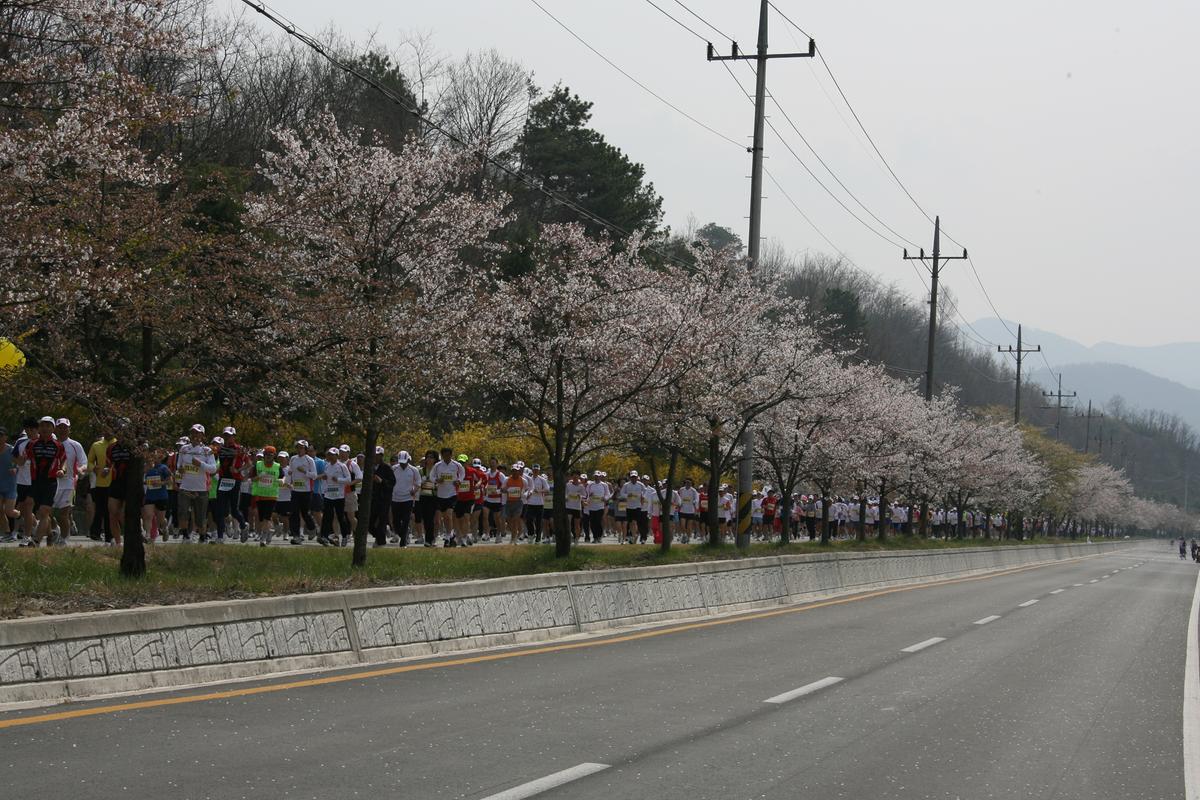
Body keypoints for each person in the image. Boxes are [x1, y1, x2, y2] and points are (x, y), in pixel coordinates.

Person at [21, 416, 63, 547]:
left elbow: (63, 461)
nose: (45, 428)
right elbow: (23, 459)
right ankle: (50, 534)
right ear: (39, 428)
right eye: (43, 425)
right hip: (35, 481)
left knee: (44, 511)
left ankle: (36, 541)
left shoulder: (58, 445)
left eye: (48, 426)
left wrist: (62, 470)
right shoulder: (32, 444)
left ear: (53, 428)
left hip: (50, 482)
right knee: (31, 506)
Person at [176, 423, 217, 542]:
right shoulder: (184, 449)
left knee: (200, 516)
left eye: (198, 433)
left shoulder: (207, 451)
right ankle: (185, 535)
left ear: (202, 435)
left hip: (201, 488)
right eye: (193, 432)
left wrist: (201, 464)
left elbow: (213, 468)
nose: (195, 435)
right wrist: (180, 469)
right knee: (183, 511)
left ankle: (202, 536)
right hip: (185, 487)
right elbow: (179, 464)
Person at [53, 417, 86, 544]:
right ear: (56, 429)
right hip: (52, 483)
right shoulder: (51, 443)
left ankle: (64, 539)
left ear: (69, 429)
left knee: (63, 514)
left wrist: (81, 469)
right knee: (47, 513)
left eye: (65, 427)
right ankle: (55, 529)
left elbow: (84, 462)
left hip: (69, 483)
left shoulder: (75, 445)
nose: (62, 430)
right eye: (60, 427)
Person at [104, 426, 135, 547]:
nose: (122, 434)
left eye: (125, 431)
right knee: (112, 512)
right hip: (116, 482)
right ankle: (118, 543)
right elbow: (109, 463)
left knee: (125, 514)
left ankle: (132, 538)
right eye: (119, 431)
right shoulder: (111, 448)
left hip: (131, 483)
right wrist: (106, 470)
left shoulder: (134, 447)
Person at [86, 426, 115, 542]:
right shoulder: (96, 445)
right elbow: (88, 463)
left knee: (111, 510)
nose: (108, 432)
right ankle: (96, 532)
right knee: (100, 509)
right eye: (106, 430)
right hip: (100, 483)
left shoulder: (118, 444)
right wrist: (95, 469)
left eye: (111, 429)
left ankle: (110, 535)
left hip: (114, 482)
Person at [317, 447, 351, 547]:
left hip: (339, 496)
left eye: (332, 454)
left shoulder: (342, 466)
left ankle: (345, 536)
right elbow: (326, 479)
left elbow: (348, 479)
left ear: (336, 455)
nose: (330, 456)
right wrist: (324, 478)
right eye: (329, 454)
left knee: (341, 516)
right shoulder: (327, 466)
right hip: (328, 495)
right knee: (327, 516)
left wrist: (339, 480)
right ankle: (324, 536)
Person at [429, 448, 463, 545]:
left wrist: (459, 481)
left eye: (448, 455)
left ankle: (448, 535)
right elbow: (431, 476)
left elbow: (462, 473)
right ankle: (450, 533)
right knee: (445, 517)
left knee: (449, 515)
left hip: (452, 494)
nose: (446, 457)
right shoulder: (438, 465)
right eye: (444, 455)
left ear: (451, 455)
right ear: (442, 455)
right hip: (441, 495)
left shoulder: (456, 465)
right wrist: (437, 480)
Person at [249, 446, 282, 545]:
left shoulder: (277, 466)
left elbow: (282, 477)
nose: (268, 457)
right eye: (266, 454)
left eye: (270, 455)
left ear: (274, 456)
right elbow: (252, 478)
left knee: (267, 517)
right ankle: (269, 531)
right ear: (264, 455)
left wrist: (282, 481)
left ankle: (263, 537)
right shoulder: (258, 465)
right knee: (261, 518)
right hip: (260, 495)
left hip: (272, 495)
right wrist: (259, 476)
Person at [287, 440, 317, 545]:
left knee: (305, 513)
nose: (299, 450)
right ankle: (296, 536)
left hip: (306, 491)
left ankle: (312, 527)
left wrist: (304, 471)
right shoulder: (293, 459)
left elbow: (314, 475)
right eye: (298, 448)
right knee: (294, 513)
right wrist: (288, 482)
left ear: (306, 449)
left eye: (301, 448)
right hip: (295, 490)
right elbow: (290, 472)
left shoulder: (310, 460)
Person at [391, 450, 421, 547]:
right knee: (396, 521)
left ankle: (403, 539)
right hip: (395, 498)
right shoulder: (394, 469)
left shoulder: (414, 470)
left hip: (408, 498)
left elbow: (418, 483)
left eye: (404, 462)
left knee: (406, 519)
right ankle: (402, 533)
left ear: (408, 460)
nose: (402, 464)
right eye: (401, 462)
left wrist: (414, 490)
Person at [142, 448, 171, 543]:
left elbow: (169, 481)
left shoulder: (164, 468)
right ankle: (148, 535)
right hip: (150, 496)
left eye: (157, 455)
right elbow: (143, 477)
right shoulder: (148, 467)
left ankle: (164, 527)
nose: (154, 457)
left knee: (160, 520)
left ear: (161, 457)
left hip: (161, 496)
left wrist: (160, 483)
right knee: (148, 515)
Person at [369, 445, 395, 547]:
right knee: (370, 522)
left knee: (382, 521)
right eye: (374, 455)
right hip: (373, 498)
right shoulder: (370, 467)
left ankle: (380, 542)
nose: (375, 457)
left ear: (381, 456)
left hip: (384, 498)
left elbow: (392, 482)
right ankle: (380, 537)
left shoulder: (387, 468)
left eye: (378, 455)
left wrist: (381, 481)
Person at [525, 464, 549, 543]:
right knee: (529, 520)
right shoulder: (528, 479)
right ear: (532, 470)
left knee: (539, 522)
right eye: (534, 469)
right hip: (530, 503)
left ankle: (538, 537)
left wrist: (539, 491)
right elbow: (525, 488)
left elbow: (547, 489)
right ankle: (531, 534)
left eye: (537, 470)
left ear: (539, 470)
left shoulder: (542, 480)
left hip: (539, 503)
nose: (535, 471)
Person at [0, 426, 16, 543]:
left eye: (1, 435)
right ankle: (7, 533)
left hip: (10, 485)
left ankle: (27, 517)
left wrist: (16, 469)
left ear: (5, 437)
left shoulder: (12, 450)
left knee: (9, 511)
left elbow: (21, 463)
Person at [585, 470, 610, 544]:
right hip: (591, 506)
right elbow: (586, 493)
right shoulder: (590, 484)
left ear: (600, 477)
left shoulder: (604, 485)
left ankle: (599, 536)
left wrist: (604, 498)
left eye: (598, 476)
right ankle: (595, 537)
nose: (597, 477)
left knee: (598, 521)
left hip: (600, 506)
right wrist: (590, 495)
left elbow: (608, 494)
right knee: (592, 523)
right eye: (595, 476)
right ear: (594, 476)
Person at [503, 463, 525, 544]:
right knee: (510, 522)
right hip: (509, 502)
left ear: (519, 472)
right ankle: (513, 536)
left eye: (516, 471)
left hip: (518, 503)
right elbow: (502, 489)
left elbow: (527, 489)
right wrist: (506, 490)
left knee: (515, 520)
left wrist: (525, 494)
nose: (515, 473)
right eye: (513, 471)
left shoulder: (523, 480)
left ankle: (514, 539)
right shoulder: (507, 480)